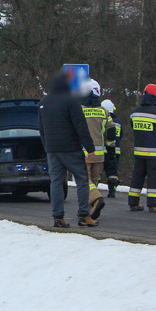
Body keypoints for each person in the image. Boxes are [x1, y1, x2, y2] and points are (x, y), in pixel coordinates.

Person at [38, 73, 98, 228]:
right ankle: (84, 215)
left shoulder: (43, 102)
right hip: (71, 148)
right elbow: (81, 126)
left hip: (52, 149)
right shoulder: (71, 101)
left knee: (56, 182)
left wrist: (47, 146)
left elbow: (41, 128)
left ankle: (58, 218)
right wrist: (90, 147)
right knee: (82, 180)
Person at [128, 84, 156, 213]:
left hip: (138, 151)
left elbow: (133, 126)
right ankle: (153, 204)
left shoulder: (134, 112)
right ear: (155, 98)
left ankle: (133, 202)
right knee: (153, 177)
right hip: (154, 152)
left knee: (137, 176)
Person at [81, 79, 116, 220]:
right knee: (94, 181)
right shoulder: (104, 112)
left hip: (84, 153)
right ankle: (91, 210)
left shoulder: (80, 110)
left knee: (85, 181)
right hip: (100, 155)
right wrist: (110, 147)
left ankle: (96, 200)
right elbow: (111, 132)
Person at [100, 99, 122, 198]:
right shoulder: (118, 122)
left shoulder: (102, 119)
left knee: (97, 171)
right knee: (113, 172)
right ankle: (112, 191)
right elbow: (120, 136)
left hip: (102, 150)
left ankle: (94, 191)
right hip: (115, 151)